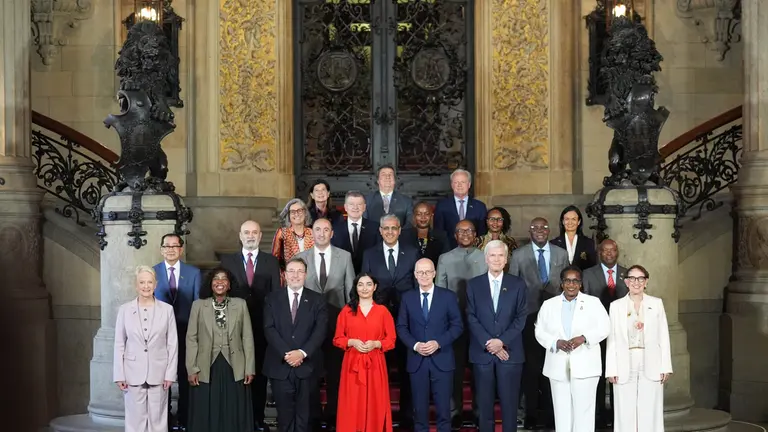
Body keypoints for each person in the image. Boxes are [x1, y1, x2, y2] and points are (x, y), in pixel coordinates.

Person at [508, 217, 568, 429]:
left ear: (549, 230)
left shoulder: (561, 254)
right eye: (535, 227)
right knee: (532, 368)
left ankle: (551, 415)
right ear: (530, 231)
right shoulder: (518, 254)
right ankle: (531, 414)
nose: (540, 230)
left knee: (554, 366)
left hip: (555, 318)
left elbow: (567, 283)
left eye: (544, 227)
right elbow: (513, 286)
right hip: (528, 318)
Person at [220, 220, 281, 432]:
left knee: (260, 377)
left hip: (262, 329)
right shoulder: (227, 262)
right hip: (235, 330)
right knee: (236, 375)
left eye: (254, 232)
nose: (250, 236)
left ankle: (257, 420)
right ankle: (237, 420)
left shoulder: (271, 262)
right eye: (246, 232)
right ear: (240, 235)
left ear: (260, 235)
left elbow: (276, 296)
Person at [295, 218, 355, 428]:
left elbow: (351, 293)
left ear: (332, 233)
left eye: (326, 229)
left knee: (335, 373)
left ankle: (333, 416)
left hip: (336, 326)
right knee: (310, 373)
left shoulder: (344, 257)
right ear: (312, 233)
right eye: (317, 229)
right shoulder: (300, 258)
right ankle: (312, 417)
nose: (321, 233)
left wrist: (350, 325)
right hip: (308, 327)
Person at [534, 266, 610, 432]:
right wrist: (556, 342)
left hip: (586, 365)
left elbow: (605, 327)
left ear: (581, 284)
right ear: (562, 283)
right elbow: (539, 331)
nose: (571, 284)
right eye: (567, 281)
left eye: (575, 281)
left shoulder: (593, 303)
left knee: (584, 412)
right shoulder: (549, 305)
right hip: (557, 365)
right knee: (561, 411)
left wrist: (584, 338)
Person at [361, 214, 420, 426]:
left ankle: (407, 415)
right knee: (379, 369)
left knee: (406, 368)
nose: (390, 232)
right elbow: (364, 286)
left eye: (394, 228)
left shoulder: (412, 253)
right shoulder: (369, 254)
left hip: (407, 319)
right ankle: (379, 415)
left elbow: (417, 286)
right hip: (378, 320)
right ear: (380, 231)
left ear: (400, 231)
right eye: (386, 228)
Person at [466, 240, 528, 432]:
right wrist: (490, 343)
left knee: (509, 407)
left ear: (506, 259)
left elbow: (521, 317)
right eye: (492, 255)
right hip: (482, 354)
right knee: (484, 407)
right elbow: (471, 316)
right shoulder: (473, 285)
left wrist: (501, 342)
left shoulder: (518, 284)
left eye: (501, 255)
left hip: (510, 354)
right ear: (486, 259)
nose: (496, 259)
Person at [396, 258, 463, 432]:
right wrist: (415, 345)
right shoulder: (407, 298)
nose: (424, 275)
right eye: (420, 272)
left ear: (434, 273)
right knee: (419, 411)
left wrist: (438, 343)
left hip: (442, 359)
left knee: (444, 411)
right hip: (417, 361)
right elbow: (401, 327)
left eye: (427, 272)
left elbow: (457, 326)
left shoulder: (448, 296)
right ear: (415, 275)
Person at [263, 257, 329, 432]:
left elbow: (320, 331)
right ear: (284, 275)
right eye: (291, 271)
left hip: (307, 366)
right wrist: (288, 354)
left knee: (305, 418)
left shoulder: (318, 299)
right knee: (284, 417)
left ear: (306, 275)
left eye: (300, 271)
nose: (295, 275)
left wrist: (302, 353)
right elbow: (269, 328)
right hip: (280, 366)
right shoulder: (272, 298)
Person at [186, 266, 255, 432]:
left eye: (224, 279)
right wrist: (191, 368)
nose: (220, 282)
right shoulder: (198, 306)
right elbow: (191, 338)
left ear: (229, 285)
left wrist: (249, 368)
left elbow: (247, 337)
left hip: (234, 365)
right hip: (206, 365)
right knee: (206, 408)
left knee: (232, 408)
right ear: (210, 284)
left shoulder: (240, 305)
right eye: (216, 279)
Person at [606, 265, 672, 432]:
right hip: (624, 360)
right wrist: (611, 369)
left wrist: (665, 366)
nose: (636, 282)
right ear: (626, 282)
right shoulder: (616, 306)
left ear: (646, 282)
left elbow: (663, 335)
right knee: (624, 408)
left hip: (650, 359)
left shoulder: (656, 304)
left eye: (640, 278)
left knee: (650, 408)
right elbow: (612, 339)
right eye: (632, 278)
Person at [435, 220, 487, 427]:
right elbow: (440, 291)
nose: (465, 234)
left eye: (469, 231)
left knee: (479, 371)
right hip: (453, 324)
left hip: (481, 324)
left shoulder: (485, 257)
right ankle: (454, 413)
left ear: (475, 235)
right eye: (461, 231)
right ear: (455, 235)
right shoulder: (445, 258)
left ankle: (479, 412)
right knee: (454, 370)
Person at [114, 265, 178, 432]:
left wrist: (170, 374)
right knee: (135, 422)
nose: (146, 286)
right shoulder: (125, 310)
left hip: (159, 373)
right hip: (132, 373)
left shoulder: (167, 310)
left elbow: (172, 344)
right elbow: (119, 344)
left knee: (158, 421)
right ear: (136, 285)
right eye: (142, 282)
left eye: (149, 282)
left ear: (155, 284)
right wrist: (119, 374)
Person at [334, 273, 397, 432]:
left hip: (375, 363)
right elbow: (337, 338)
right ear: (355, 288)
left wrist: (377, 343)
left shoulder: (383, 311)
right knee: (352, 402)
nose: (364, 288)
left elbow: (391, 340)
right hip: (352, 364)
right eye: (360, 284)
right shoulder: (347, 311)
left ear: (375, 287)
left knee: (376, 401)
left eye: (369, 284)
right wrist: (352, 342)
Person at [153, 233, 201, 429]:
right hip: (160, 337)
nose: (171, 249)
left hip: (186, 335)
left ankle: (184, 419)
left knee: (184, 377)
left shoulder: (194, 273)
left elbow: (198, 306)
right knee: (161, 380)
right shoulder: (153, 272)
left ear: (181, 249)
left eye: (175, 246)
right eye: (167, 246)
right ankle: (164, 419)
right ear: (161, 249)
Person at [582, 239, 628, 427]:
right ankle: (600, 416)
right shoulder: (588, 274)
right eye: (605, 250)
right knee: (599, 375)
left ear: (617, 252)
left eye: (612, 250)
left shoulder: (627, 274)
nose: (609, 253)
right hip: (597, 334)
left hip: (621, 334)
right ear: (599, 253)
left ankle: (618, 416)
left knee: (619, 375)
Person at [433, 169, 488, 248]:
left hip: (473, 251)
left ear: (469, 184)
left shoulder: (480, 207)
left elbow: (482, 234)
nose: (459, 185)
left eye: (463, 182)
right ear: (452, 185)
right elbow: (439, 233)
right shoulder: (442, 206)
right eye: (456, 182)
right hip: (449, 251)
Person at [331, 190, 382, 274]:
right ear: (345, 207)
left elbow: (379, 254)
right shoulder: (335, 229)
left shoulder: (375, 228)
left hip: (369, 276)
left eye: (359, 204)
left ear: (364, 207)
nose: (355, 207)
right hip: (342, 275)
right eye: (351, 204)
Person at [272, 198, 315, 276]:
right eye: (293, 212)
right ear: (288, 216)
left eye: (299, 210)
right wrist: (282, 276)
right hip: (289, 277)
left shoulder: (313, 232)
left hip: (310, 277)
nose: (296, 214)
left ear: (305, 213)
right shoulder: (282, 233)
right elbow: (275, 259)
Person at [399, 201, 451, 265]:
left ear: (431, 216)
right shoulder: (404, 236)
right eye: (419, 214)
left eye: (427, 214)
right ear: (414, 217)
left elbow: (446, 260)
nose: (423, 217)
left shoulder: (441, 236)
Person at [364, 164, 414, 228]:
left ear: (395, 180)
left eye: (390, 174)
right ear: (378, 180)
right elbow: (364, 223)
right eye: (383, 174)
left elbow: (409, 224)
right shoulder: (367, 200)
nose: (387, 177)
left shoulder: (406, 201)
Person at [550, 205, 597, 271]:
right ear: (563, 221)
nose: (570, 222)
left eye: (573, 219)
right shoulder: (553, 243)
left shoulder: (588, 243)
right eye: (567, 219)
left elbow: (592, 267)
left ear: (579, 222)